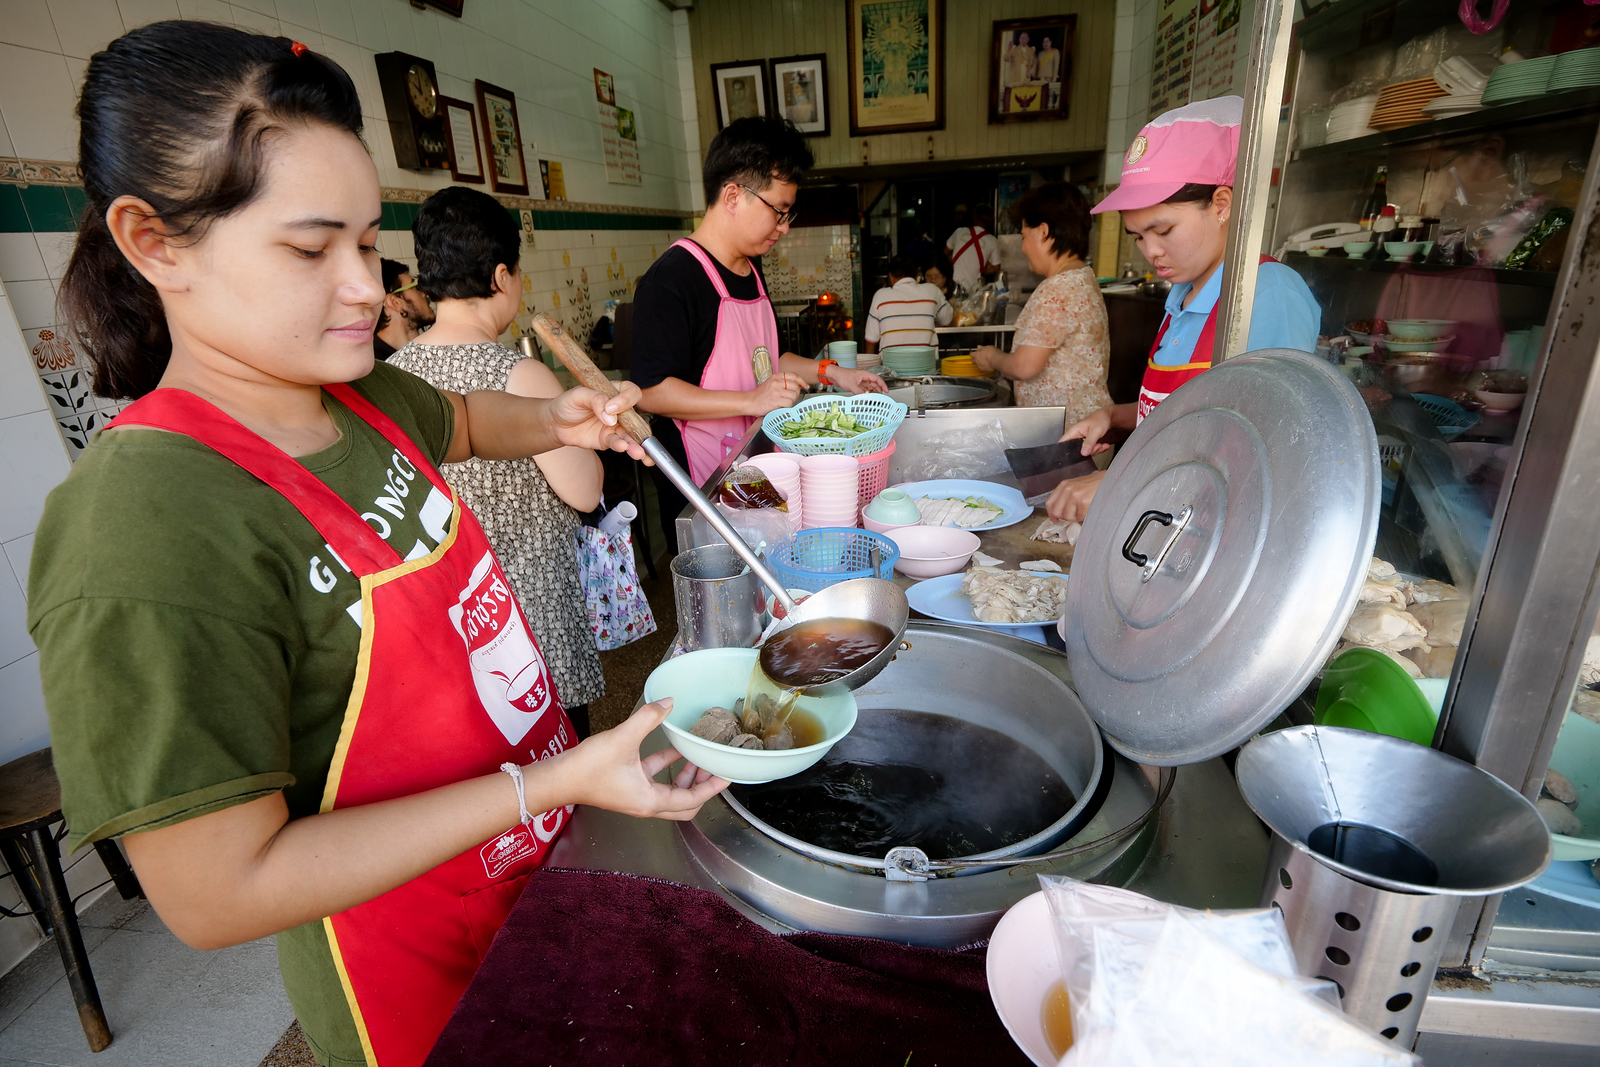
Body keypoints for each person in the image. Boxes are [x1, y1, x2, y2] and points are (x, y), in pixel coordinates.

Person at [29, 24, 724, 1067]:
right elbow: (219, 889)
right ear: (154, 241)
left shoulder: (352, 395)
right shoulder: (141, 524)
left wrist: (564, 416)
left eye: (367, 242)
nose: (366, 287)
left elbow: (469, 421)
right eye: (312, 249)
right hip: (413, 973)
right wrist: (558, 779)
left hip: (532, 873)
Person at [388, 188, 606, 739]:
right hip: (528, 616)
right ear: (503, 276)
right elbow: (583, 493)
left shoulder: (394, 378)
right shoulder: (518, 373)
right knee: (559, 761)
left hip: (451, 619)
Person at [1045, 95, 1321, 524]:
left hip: (1233, 531)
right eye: (1138, 236)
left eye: (1163, 229)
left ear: (1222, 205)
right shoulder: (1184, 294)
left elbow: (1267, 440)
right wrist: (1115, 417)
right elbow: (1185, 414)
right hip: (1174, 520)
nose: (1151, 252)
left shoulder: (1265, 295)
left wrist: (1120, 481)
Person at [630, 115, 885, 536]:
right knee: (733, 591)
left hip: (755, 465)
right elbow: (652, 392)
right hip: (706, 486)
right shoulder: (671, 280)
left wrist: (833, 373)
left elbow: (766, 354)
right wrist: (751, 401)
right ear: (733, 195)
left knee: (778, 565)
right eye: (779, 211)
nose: (783, 228)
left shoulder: (750, 267)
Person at [971, 183, 1110, 422]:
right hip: (1086, 424)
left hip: (1067, 435)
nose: (1024, 247)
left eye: (1024, 236)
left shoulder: (1058, 288)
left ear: (1043, 231)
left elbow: (1025, 366)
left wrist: (992, 357)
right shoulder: (1083, 278)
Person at [863, 254, 951, 353]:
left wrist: (869, 366)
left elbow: (871, 339)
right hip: (925, 365)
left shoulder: (880, 296)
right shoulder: (932, 290)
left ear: (891, 277)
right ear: (917, 276)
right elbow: (946, 320)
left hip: (890, 366)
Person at [373, 257, 434, 361]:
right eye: (415, 287)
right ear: (395, 302)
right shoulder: (374, 368)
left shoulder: (427, 354)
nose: (424, 294)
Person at [946, 204, 999, 292]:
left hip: (952, 286)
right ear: (990, 221)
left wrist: (954, 263)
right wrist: (979, 268)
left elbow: (945, 252)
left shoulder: (959, 232)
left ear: (973, 218)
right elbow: (996, 267)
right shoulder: (992, 240)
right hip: (972, 290)